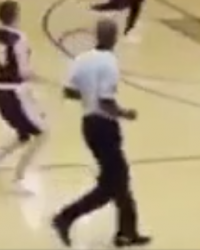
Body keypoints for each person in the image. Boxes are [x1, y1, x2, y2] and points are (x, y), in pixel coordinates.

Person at [52, 18, 151, 249]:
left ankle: (128, 232)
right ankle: (65, 217)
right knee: (111, 185)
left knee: (120, 179)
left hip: (88, 125)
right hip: (105, 126)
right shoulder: (110, 63)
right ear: (114, 37)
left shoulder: (81, 59)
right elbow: (106, 102)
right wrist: (125, 114)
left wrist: (88, 96)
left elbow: (69, 91)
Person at [0, 0, 47, 195]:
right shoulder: (20, 38)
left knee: (24, 133)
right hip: (14, 93)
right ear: (16, 15)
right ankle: (17, 180)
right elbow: (25, 73)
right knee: (42, 134)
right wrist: (44, 80)